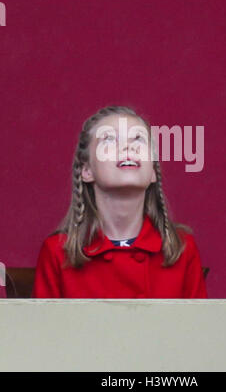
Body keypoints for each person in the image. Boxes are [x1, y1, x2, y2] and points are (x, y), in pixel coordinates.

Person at [31, 105, 208, 298]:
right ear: (87, 170)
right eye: (109, 139)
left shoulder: (182, 248)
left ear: (153, 173)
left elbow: (197, 328)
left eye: (139, 139)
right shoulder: (57, 251)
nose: (128, 147)